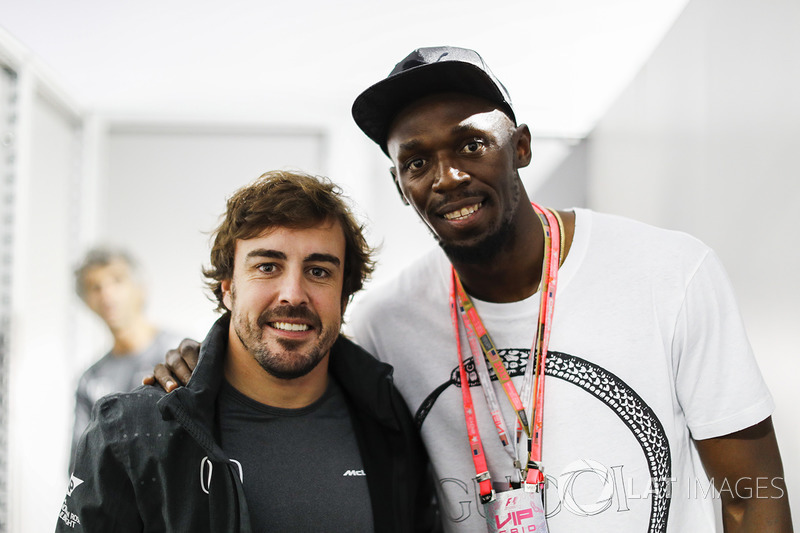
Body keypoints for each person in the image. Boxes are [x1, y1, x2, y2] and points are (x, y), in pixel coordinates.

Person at [151, 47, 792, 532]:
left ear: (521, 146)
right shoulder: (383, 325)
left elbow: (752, 491)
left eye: (472, 143)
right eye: (417, 161)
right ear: (400, 182)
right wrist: (198, 366)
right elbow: (283, 361)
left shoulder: (669, 273)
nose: (447, 176)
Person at [58, 171, 438, 532]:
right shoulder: (132, 431)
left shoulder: (388, 421)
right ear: (227, 287)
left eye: (319, 271)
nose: (292, 293)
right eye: (268, 266)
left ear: (344, 295)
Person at [70, 247, 179, 469]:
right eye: (95, 287)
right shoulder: (91, 380)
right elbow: (81, 466)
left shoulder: (180, 354)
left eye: (117, 281)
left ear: (141, 289)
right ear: (86, 302)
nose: (106, 294)